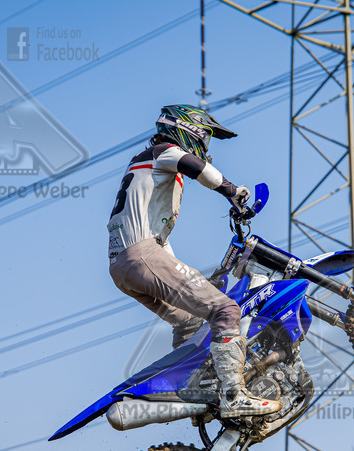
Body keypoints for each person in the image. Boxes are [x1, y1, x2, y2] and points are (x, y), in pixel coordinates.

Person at [107, 104, 281, 417]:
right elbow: (198, 167)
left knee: (190, 321)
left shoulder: (148, 169)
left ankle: (194, 392)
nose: (206, 147)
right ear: (191, 130)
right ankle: (234, 395)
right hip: (142, 256)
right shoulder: (164, 151)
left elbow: (160, 241)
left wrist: (195, 280)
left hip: (125, 266)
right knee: (226, 308)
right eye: (206, 138)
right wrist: (233, 192)